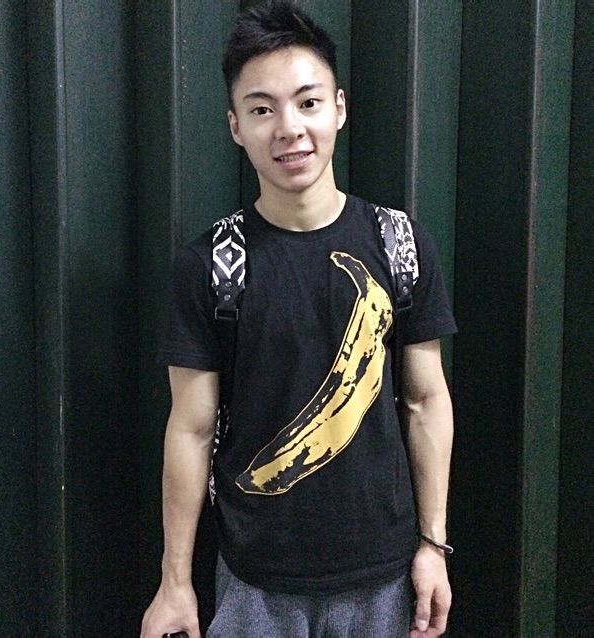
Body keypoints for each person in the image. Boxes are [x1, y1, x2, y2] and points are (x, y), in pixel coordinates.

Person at [141, 2, 456, 636]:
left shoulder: (399, 244)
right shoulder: (212, 264)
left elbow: (425, 401)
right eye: (262, 110)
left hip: (385, 576)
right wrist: (175, 582)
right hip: (253, 581)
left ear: (338, 108)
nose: (289, 128)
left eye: (307, 102)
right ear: (236, 126)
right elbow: (191, 430)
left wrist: (433, 545)